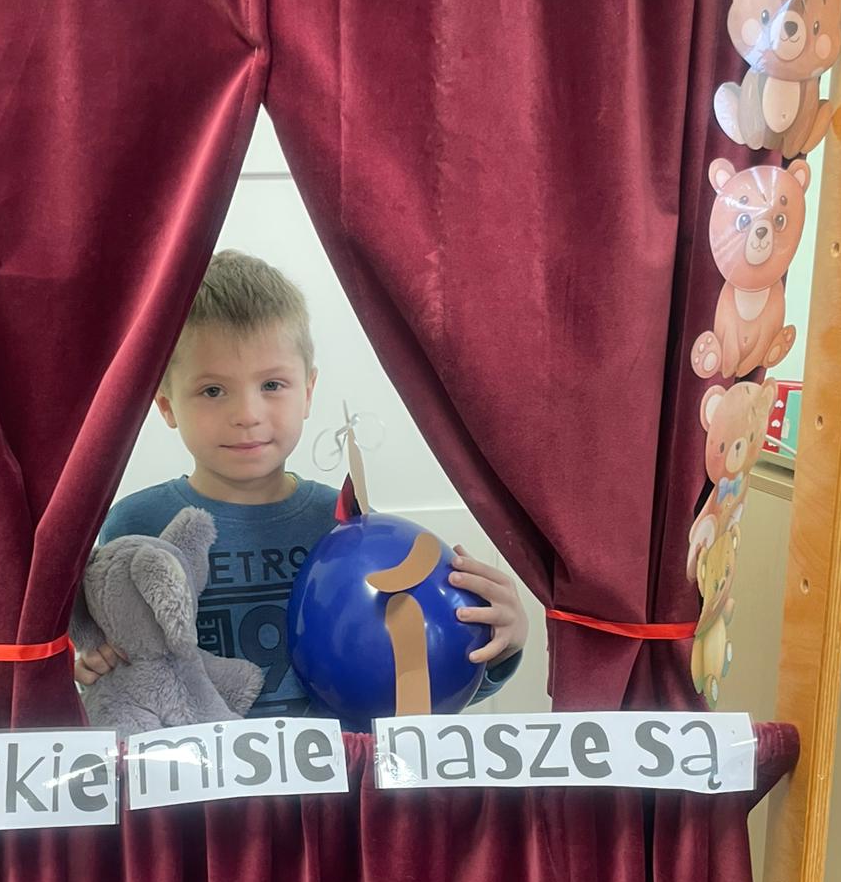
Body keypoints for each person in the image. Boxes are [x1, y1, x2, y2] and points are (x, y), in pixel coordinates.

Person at [75, 249, 528, 718]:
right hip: (197, 766)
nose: (247, 415)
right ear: (166, 405)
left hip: (338, 767)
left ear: (308, 392)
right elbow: (125, 663)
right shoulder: (134, 525)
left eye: (272, 385)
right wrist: (97, 663)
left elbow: (411, 684)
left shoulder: (350, 527)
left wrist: (501, 645)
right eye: (213, 390)